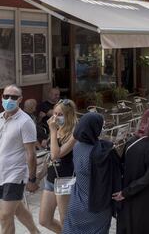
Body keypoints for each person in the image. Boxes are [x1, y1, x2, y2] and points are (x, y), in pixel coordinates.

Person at [63, 112, 122, 234]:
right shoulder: (105, 153)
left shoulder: (77, 147)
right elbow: (115, 176)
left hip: (76, 204)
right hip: (98, 208)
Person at [115, 109, 149, 234]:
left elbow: (122, 166)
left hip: (129, 198)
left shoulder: (131, 141)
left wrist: (125, 192)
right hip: (148, 199)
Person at [0, 84, 40, 234]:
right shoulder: (0, 118)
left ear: (20, 100)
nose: (9, 99)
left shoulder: (25, 122)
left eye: (14, 97)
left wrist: (32, 178)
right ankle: (35, 232)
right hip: (1, 173)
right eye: (6, 96)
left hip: (15, 174)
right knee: (18, 209)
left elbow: (31, 153)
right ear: (1, 97)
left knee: (5, 216)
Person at [39, 99, 77, 233]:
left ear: (69, 115)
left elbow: (56, 154)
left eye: (60, 114)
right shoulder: (56, 129)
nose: (55, 117)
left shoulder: (74, 133)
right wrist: (39, 176)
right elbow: (50, 156)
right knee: (44, 220)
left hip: (65, 179)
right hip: (51, 179)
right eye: (54, 113)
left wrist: (53, 131)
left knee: (65, 219)